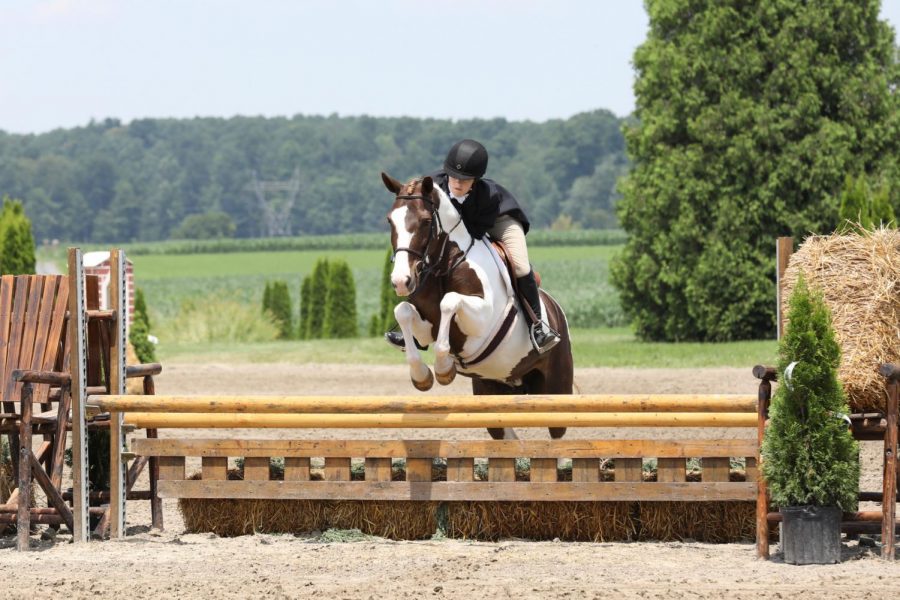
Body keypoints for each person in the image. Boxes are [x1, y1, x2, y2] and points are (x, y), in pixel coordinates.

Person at [386, 138, 560, 353]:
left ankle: (538, 326)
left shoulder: (488, 196)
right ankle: (414, 329)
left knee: (521, 267)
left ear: (476, 180)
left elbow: (475, 233)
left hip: (497, 221)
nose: (458, 183)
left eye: (465, 179)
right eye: (454, 177)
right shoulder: (434, 186)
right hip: (460, 225)